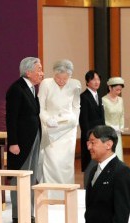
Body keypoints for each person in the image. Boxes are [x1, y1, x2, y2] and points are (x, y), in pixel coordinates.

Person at [5, 57, 44, 223]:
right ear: (28, 72)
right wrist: (13, 142)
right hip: (21, 142)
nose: (42, 73)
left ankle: (29, 212)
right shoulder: (16, 89)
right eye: (39, 69)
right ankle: (19, 213)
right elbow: (11, 119)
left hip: (33, 138)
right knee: (20, 177)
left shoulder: (32, 89)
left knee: (32, 176)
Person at [38, 59, 81, 197]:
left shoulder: (75, 84)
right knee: (51, 160)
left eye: (65, 78)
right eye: (58, 77)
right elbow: (40, 106)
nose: (61, 81)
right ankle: (50, 193)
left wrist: (75, 120)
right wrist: (46, 119)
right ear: (54, 74)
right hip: (51, 127)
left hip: (68, 128)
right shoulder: (46, 84)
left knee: (66, 161)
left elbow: (76, 105)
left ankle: (66, 192)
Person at [79, 70, 105, 172]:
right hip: (90, 136)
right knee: (90, 165)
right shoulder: (84, 97)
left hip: (100, 135)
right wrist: (89, 138)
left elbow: (102, 118)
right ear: (87, 82)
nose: (97, 82)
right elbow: (83, 120)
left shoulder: (99, 96)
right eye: (93, 79)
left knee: (100, 163)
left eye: (98, 79)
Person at [103, 77, 126, 161]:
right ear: (110, 88)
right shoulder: (104, 100)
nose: (118, 92)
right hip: (108, 131)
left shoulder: (120, 100)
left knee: (118, 152)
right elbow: (103, 117)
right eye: (116, 90)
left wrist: (121, 127)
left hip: (118, 132)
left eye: (120, 90)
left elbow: (122, 115)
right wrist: (110, 127)